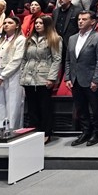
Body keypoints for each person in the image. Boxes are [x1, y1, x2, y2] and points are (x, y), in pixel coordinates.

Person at [64, 11, 98, 147]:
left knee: (96, 108)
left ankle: (97, 132)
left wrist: (96, 80)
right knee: (81, 107)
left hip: (91, 79)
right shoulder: (72, 38)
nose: (80, 21)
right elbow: (68, 60)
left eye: (84, 19)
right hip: (75, 78)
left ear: (92, 21)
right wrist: (67, 77)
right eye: (79, 19)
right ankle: (85, 131)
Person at [20, 15, 62, 144]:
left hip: (44, 77)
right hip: (28, 77)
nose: (37, 25)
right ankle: (34, 131)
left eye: (41, 23)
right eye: (36, 23)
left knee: (45, 107)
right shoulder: (29, 39)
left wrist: (51, 78)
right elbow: (24, 59)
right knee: (32, 108)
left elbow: (57, 59)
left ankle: (46, 132)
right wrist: (22, 74)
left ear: (47, 25)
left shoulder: (55, 39)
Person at [0, 15, 26, 132]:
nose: (6, 25)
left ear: (17, 26)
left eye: (10, 23)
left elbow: (17, 60)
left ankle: (13, 130)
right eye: (5, 23)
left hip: (13, 74)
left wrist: (2, 76)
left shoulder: (20, 40)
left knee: (13, 103)